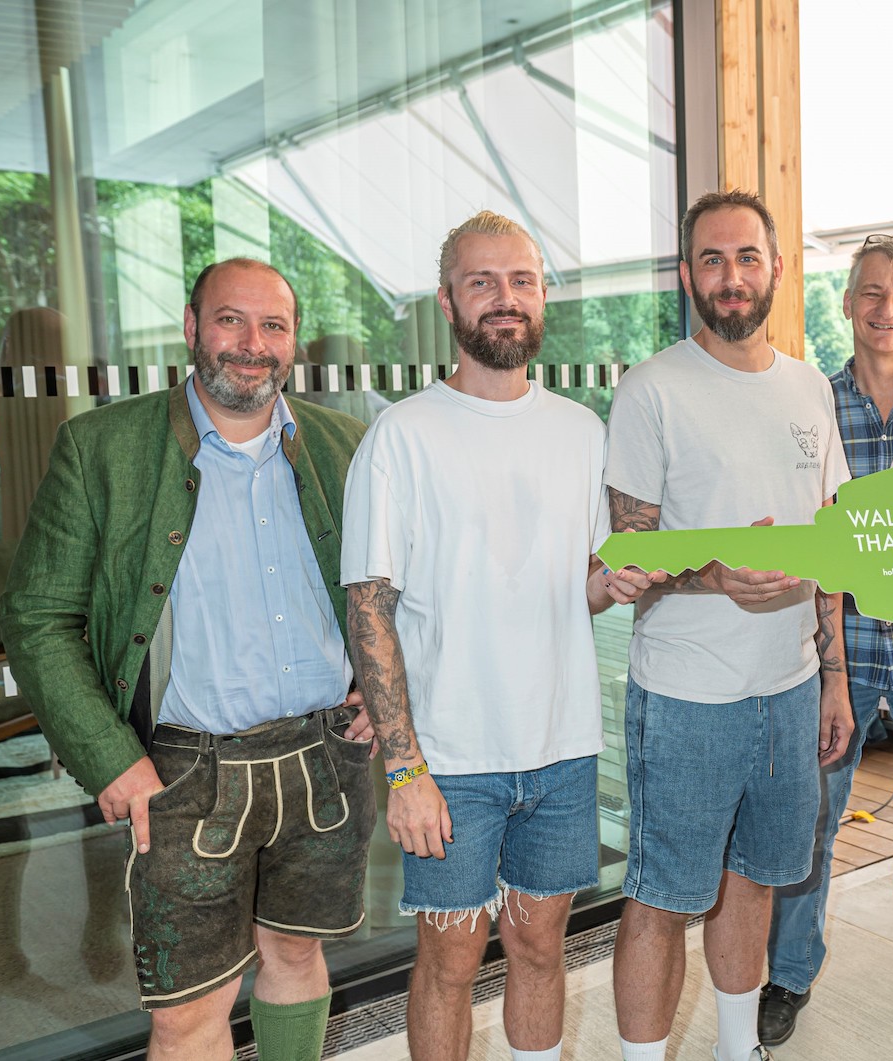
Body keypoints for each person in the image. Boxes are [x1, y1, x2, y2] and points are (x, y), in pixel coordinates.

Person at [0, 257, 377, 1061]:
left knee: (296, 955)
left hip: (323, 752)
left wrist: (382, 689)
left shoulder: (346, 444)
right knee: (185, 1009)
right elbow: (36, 616)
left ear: (294, 341)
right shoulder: (100, 447)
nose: (251, 343)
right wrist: (112, 759)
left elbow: (395, 588)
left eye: (272, 325)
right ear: (190, 327)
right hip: (179, 771)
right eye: (230, 320)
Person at [341, 210, 662, 1061]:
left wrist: (615, 582)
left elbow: (580, 587)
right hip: (448, 759)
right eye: (481, 282)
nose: (503, 298)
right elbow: (368, 606)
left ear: (542, 296)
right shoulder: (400, 437)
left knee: (538, 948)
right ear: (447, 302)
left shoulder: (580, 430)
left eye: (519, 280)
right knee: (448, 960)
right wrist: (404, 767)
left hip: (559, 748)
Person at [605, 189, 853, 1061]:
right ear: (687, 275)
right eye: (712, 259)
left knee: (755, 884)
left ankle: (738, 1048)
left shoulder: (808, 387)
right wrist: (716, 573)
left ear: (777, 268)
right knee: (663, 899)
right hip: (685, 694)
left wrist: (833, 677)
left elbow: (832, 538)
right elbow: (626, 561)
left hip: (787, 688)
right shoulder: (651, 389)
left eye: (747, 257)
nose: (731, 276)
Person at [759, 234, 893, 1047]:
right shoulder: (807, 401)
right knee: (810, 825)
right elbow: (813, 537)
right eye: (871, 292)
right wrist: (832, 678)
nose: (887, 310)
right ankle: (788, 974)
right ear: (845, 302)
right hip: (836, 650)